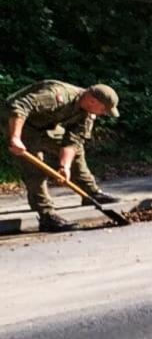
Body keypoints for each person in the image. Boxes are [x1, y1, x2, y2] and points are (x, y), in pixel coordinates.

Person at [4, 80, 121, 233]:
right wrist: (15, 137)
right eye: (104, 109)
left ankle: (90, 193)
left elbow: (72, 142)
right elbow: (20, 106)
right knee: (35, 166)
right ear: (93, 101)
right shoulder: (58, 95)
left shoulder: (87, 114)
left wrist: (64, 166)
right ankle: (46, 215)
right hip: (15, 119)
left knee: (76, 151)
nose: (104, 114)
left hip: (44, 125)